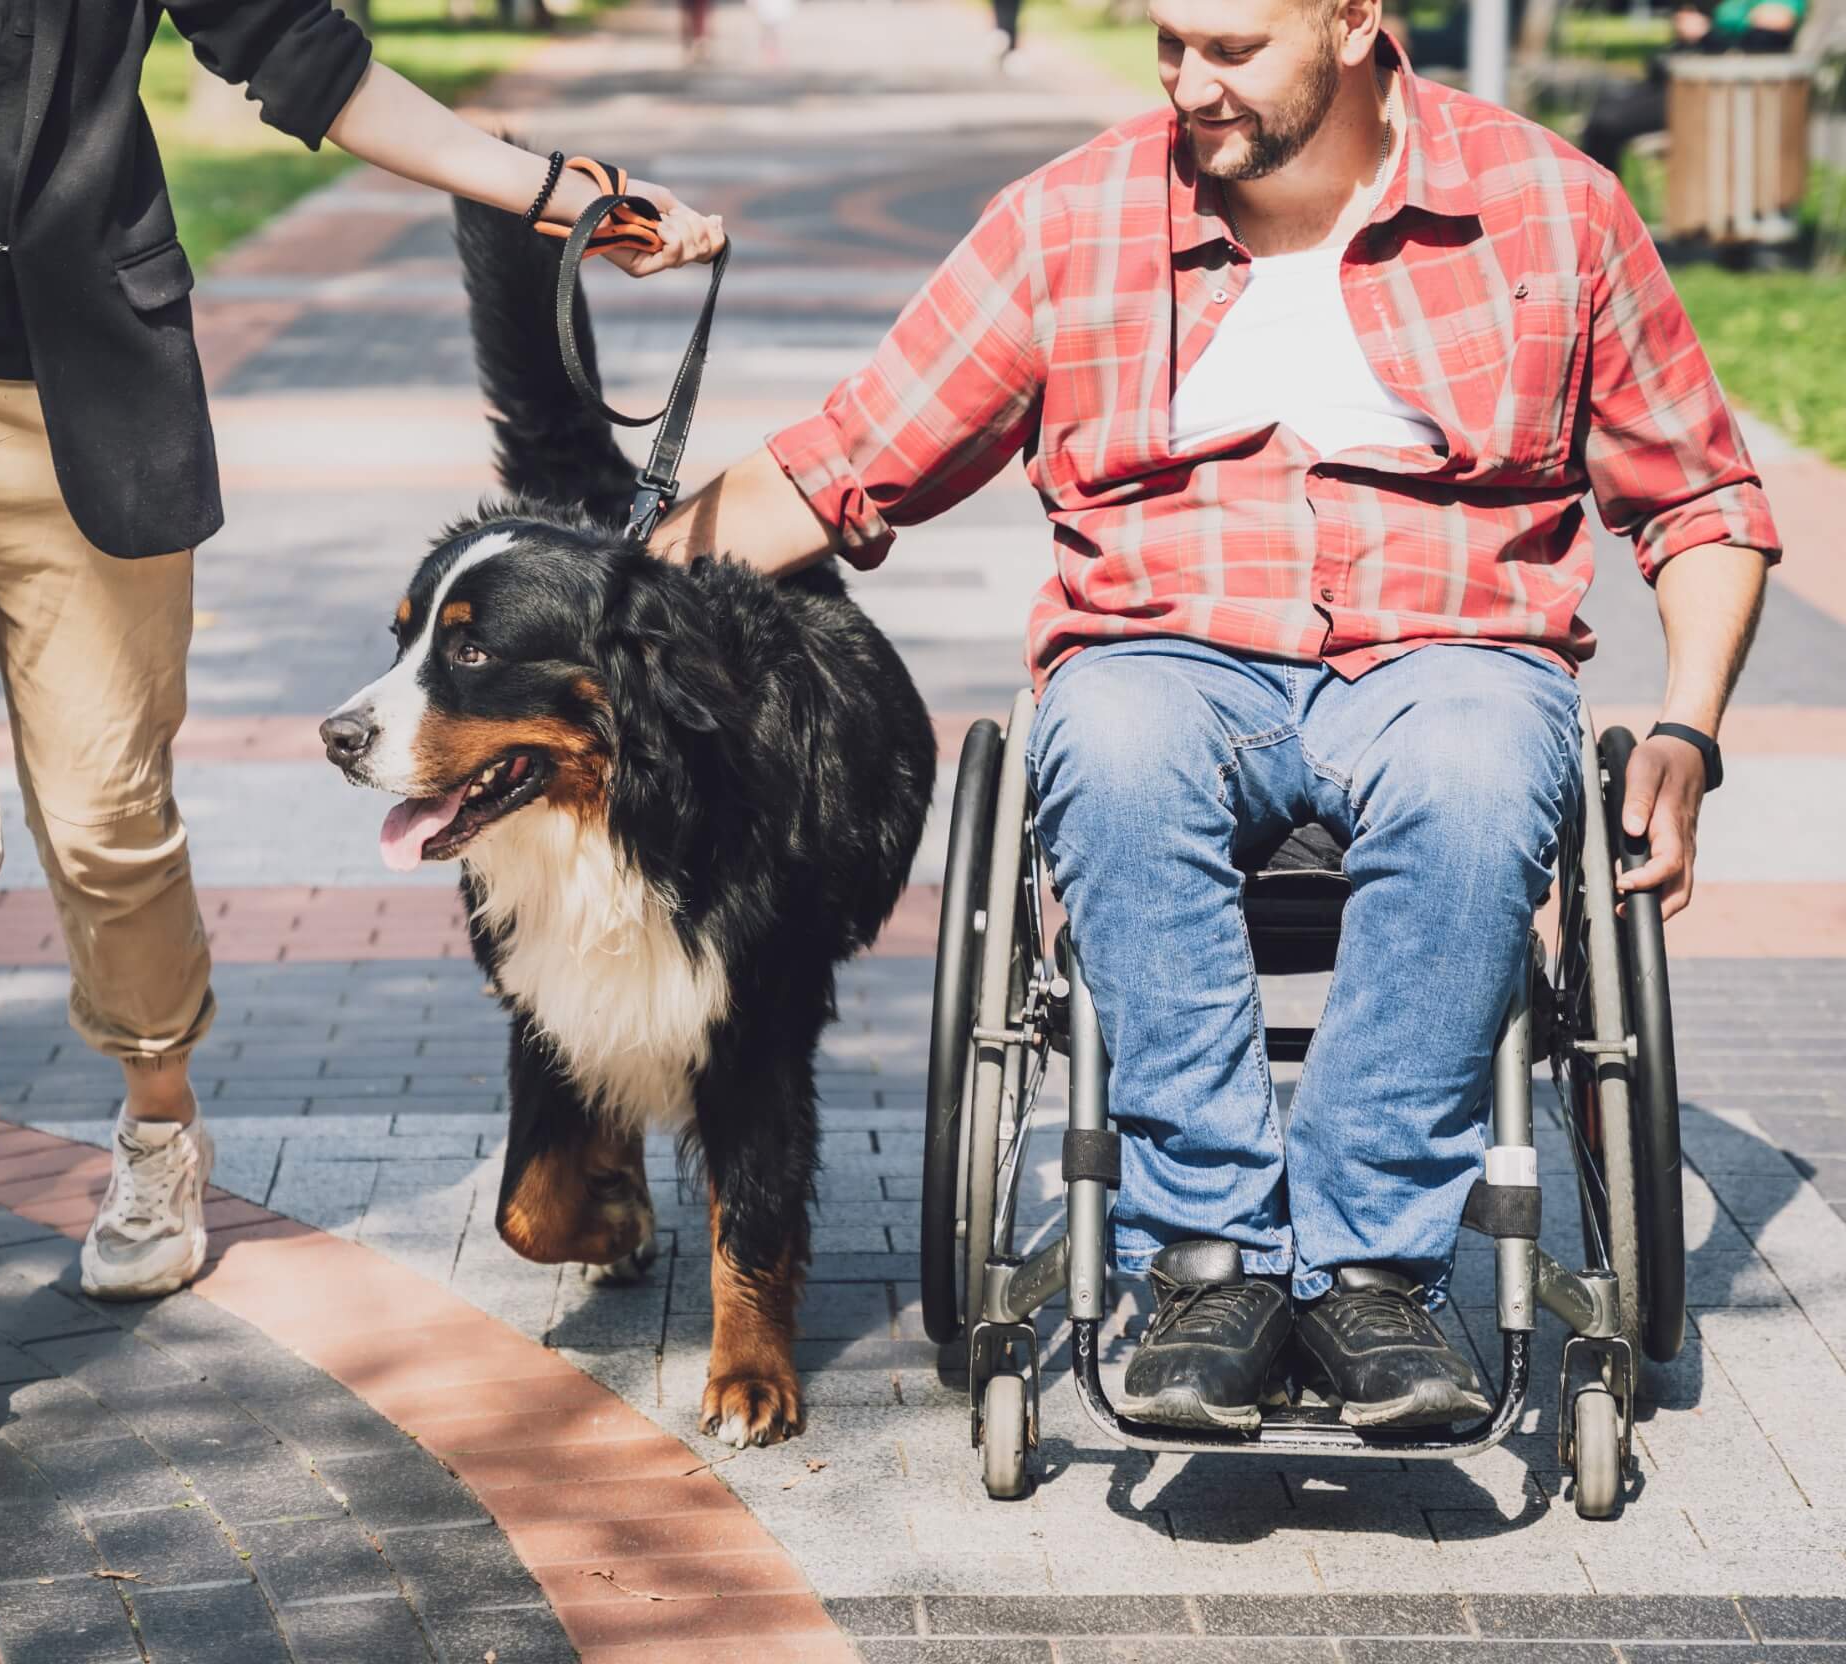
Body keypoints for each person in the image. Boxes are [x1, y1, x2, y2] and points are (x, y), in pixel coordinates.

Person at [0, 0, 721, 1481]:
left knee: (108, 826)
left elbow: (305, 58)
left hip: (93, 409)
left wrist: (557, 189)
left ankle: (157, 1123)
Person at [653, 0, 1773, 1429]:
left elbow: (1701, 495)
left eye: (1231, 48)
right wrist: (609, 585)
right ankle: (1214, 1262)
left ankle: (1370, 1269)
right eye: (1168, 43)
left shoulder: (1552, 210)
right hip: (1165, 660)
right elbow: (845, 463)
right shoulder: (1070, 222)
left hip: (1451, 656)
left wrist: (1687, 728)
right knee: (1108, 748)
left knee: (1487, 769)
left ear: (1358, 19)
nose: (1190, 83)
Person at [1580, 0, 1808, 175]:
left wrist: (1704, 34)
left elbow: (1762, 48)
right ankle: (1602, 217)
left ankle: (1605, 220)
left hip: (1720, 97)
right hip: (1693, 86)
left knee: (1605, 123)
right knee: (1603, 107)